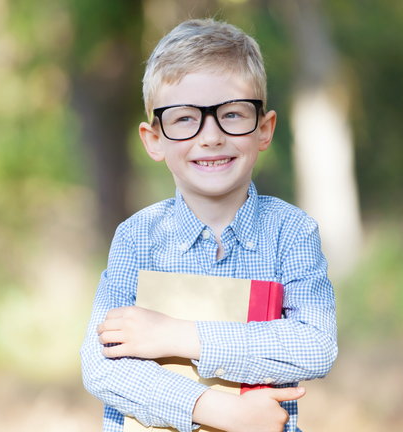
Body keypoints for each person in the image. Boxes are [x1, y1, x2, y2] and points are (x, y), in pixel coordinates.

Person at [80, 18, 337, 432]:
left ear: (264, 129)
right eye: (184, 118)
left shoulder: (291, 231)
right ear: (154, 139)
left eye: (232, 114)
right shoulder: (138, 237)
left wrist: (177, 335)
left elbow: (314, 345)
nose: (211, 136)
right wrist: (216, 409)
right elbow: (101, 365)